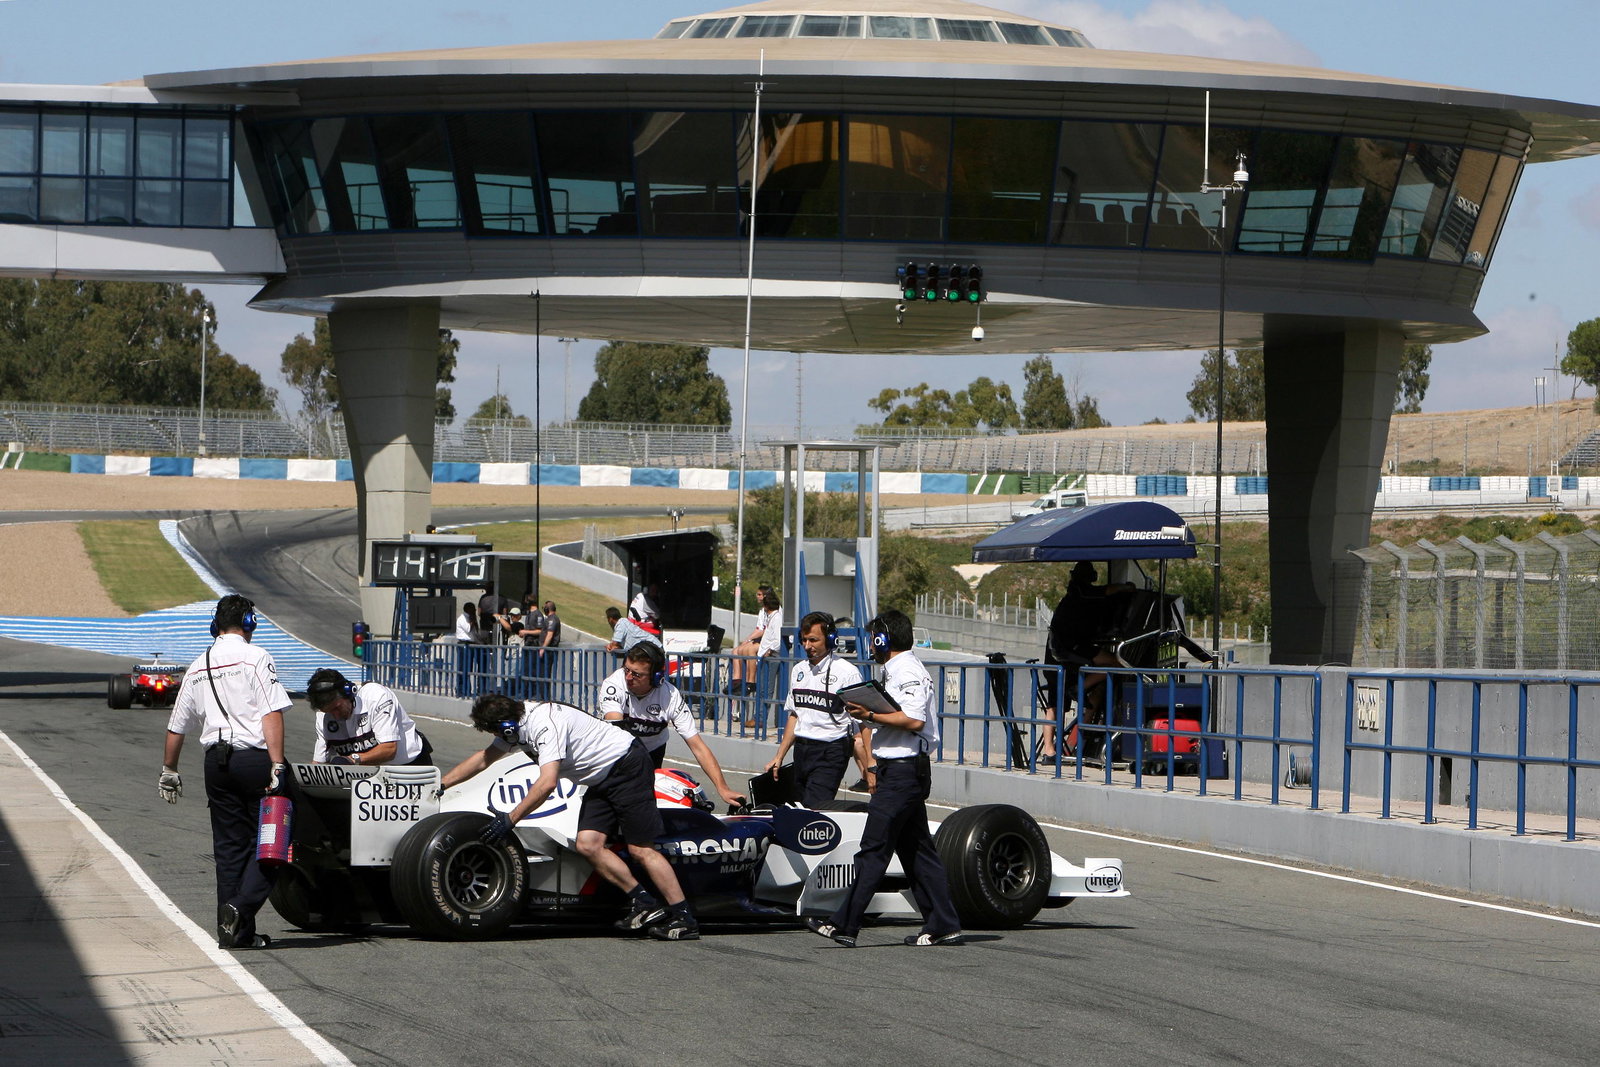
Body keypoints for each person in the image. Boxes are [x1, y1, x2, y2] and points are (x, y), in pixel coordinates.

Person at [438, 693, 701, 941]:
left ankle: (683, 917)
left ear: (506, 725)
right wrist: (441, 784)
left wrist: (510, 819)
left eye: (494, 731)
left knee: (641, 850)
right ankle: (645, 902)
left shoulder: (545, 725)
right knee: (588, 844)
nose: (495, 737)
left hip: (627, 765)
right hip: (601, 778)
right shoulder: (515, 725)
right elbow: (484, 759)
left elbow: (547, 783)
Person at [806, 609, 961, 948]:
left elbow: (914, 719)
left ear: (882, 639)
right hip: (902, 770)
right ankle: (943, 923)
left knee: (873, 849)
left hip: (903, 772)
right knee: (918, 852)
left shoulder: (905, 669)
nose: (870, 646)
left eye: (873, 639)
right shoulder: (898, 668)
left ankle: (844, 925)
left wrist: (871, 714)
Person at [158, 594, 291, 950]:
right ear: (249, 624)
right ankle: (241, 907)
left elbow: (176, 727)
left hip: (215, 766)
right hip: (255, 761)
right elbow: (271, 713)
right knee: (276, 842)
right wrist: (277, 765)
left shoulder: (198, 664)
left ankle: (233, 934)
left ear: (214, 626)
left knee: (229, 849)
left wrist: (169, 769)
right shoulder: (256, 657)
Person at [597, 643, 747, 809]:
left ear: (656, 677)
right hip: (617, 750)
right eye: (627, 670)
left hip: (652, 751)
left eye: (637, 674)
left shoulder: (670, 696)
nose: (628, 677)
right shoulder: (614, 684)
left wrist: (722, 788)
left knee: (645, 803)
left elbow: (698, 746)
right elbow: (617, 733)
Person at [764, 611, 873, 807]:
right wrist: (778, 757)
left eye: (813, 640)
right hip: (802, 750)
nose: (807, 646)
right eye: (804, 640)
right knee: (796, 809)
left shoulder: (847, 673)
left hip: (831, 751)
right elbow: (794, 716)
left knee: (814, 810)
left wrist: (871, 764)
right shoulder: (798, 671)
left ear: (831, 639)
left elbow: (863, 723)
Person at [1039, 561, 1134, 758]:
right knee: (1116, 664)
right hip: (1067, 651)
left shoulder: (1074, 594)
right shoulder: (1080, 591)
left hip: (1061, 654)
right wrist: (1127, 588)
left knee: (1073, 700)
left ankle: (1068, 745)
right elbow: (1107, 591)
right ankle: (1078, 689)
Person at [306, 668, 433, 766]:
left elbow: (389, 749)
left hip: (410, 766)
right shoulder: (323, 717)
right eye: (329, 712)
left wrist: (353, 759)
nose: (336, 716)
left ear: (349, 692)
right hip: (367, 773)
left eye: (337, 708)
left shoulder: (376, 696)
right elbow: (319, 763)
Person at [728, 584, 774, 689]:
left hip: (769, 641)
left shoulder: (773, 611)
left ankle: (750, 681)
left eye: (759, 594)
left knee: (749, 650)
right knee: (736, 651)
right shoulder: (762, 611)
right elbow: (758, 629)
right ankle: (737, 680)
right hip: (762, 639)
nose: (757, 597)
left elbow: (763, 630)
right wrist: (746, 640)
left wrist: (749, 640)